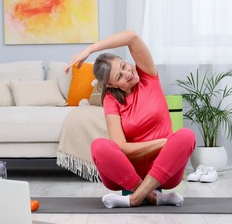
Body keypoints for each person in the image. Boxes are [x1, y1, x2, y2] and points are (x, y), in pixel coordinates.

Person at [65, 30, 196, 208]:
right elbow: (122, 148)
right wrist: (164, 142)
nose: (128, 73)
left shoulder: (148, 76)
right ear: (111, 85)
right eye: (119, 76)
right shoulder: (111, 100)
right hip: (128, 174)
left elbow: (132, 38)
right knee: (99, 145)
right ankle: (153, 197)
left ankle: (135, 199)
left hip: (165, 171)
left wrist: (90, 49)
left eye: (124, 66)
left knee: (186, 135)